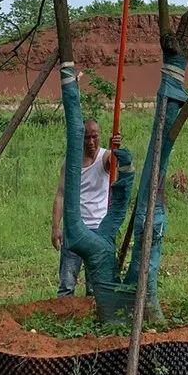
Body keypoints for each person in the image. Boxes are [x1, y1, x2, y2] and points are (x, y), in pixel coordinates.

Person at [51, 118, 121, 296]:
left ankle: (93, 320)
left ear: (100, 136)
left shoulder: (105, 157)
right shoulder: (71, 164)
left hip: (98, 230)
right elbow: (60, 195)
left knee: (95, 286)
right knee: (66, 284)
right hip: (74, 230)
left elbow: (113, 163)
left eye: (94, 137)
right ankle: (63, 318)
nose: (91, 142)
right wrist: (56, 227)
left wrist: (115, 149)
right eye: (86, 137)